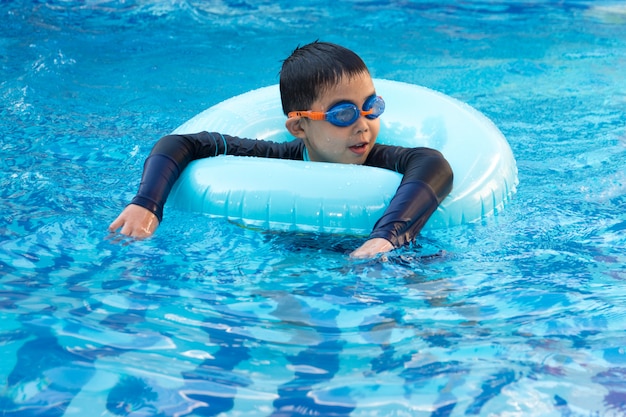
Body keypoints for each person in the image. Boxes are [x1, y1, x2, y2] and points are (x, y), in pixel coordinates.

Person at [108, 41, 453, 258]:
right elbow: (183, 142)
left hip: (383, 250)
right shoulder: (279, 159)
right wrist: (147, 204)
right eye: (343, 114)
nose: (363, 125)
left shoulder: (378, 159)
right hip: (293, 253)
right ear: (300, 127)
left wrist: (387, 237)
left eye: (371, 107)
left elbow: (432, 163)